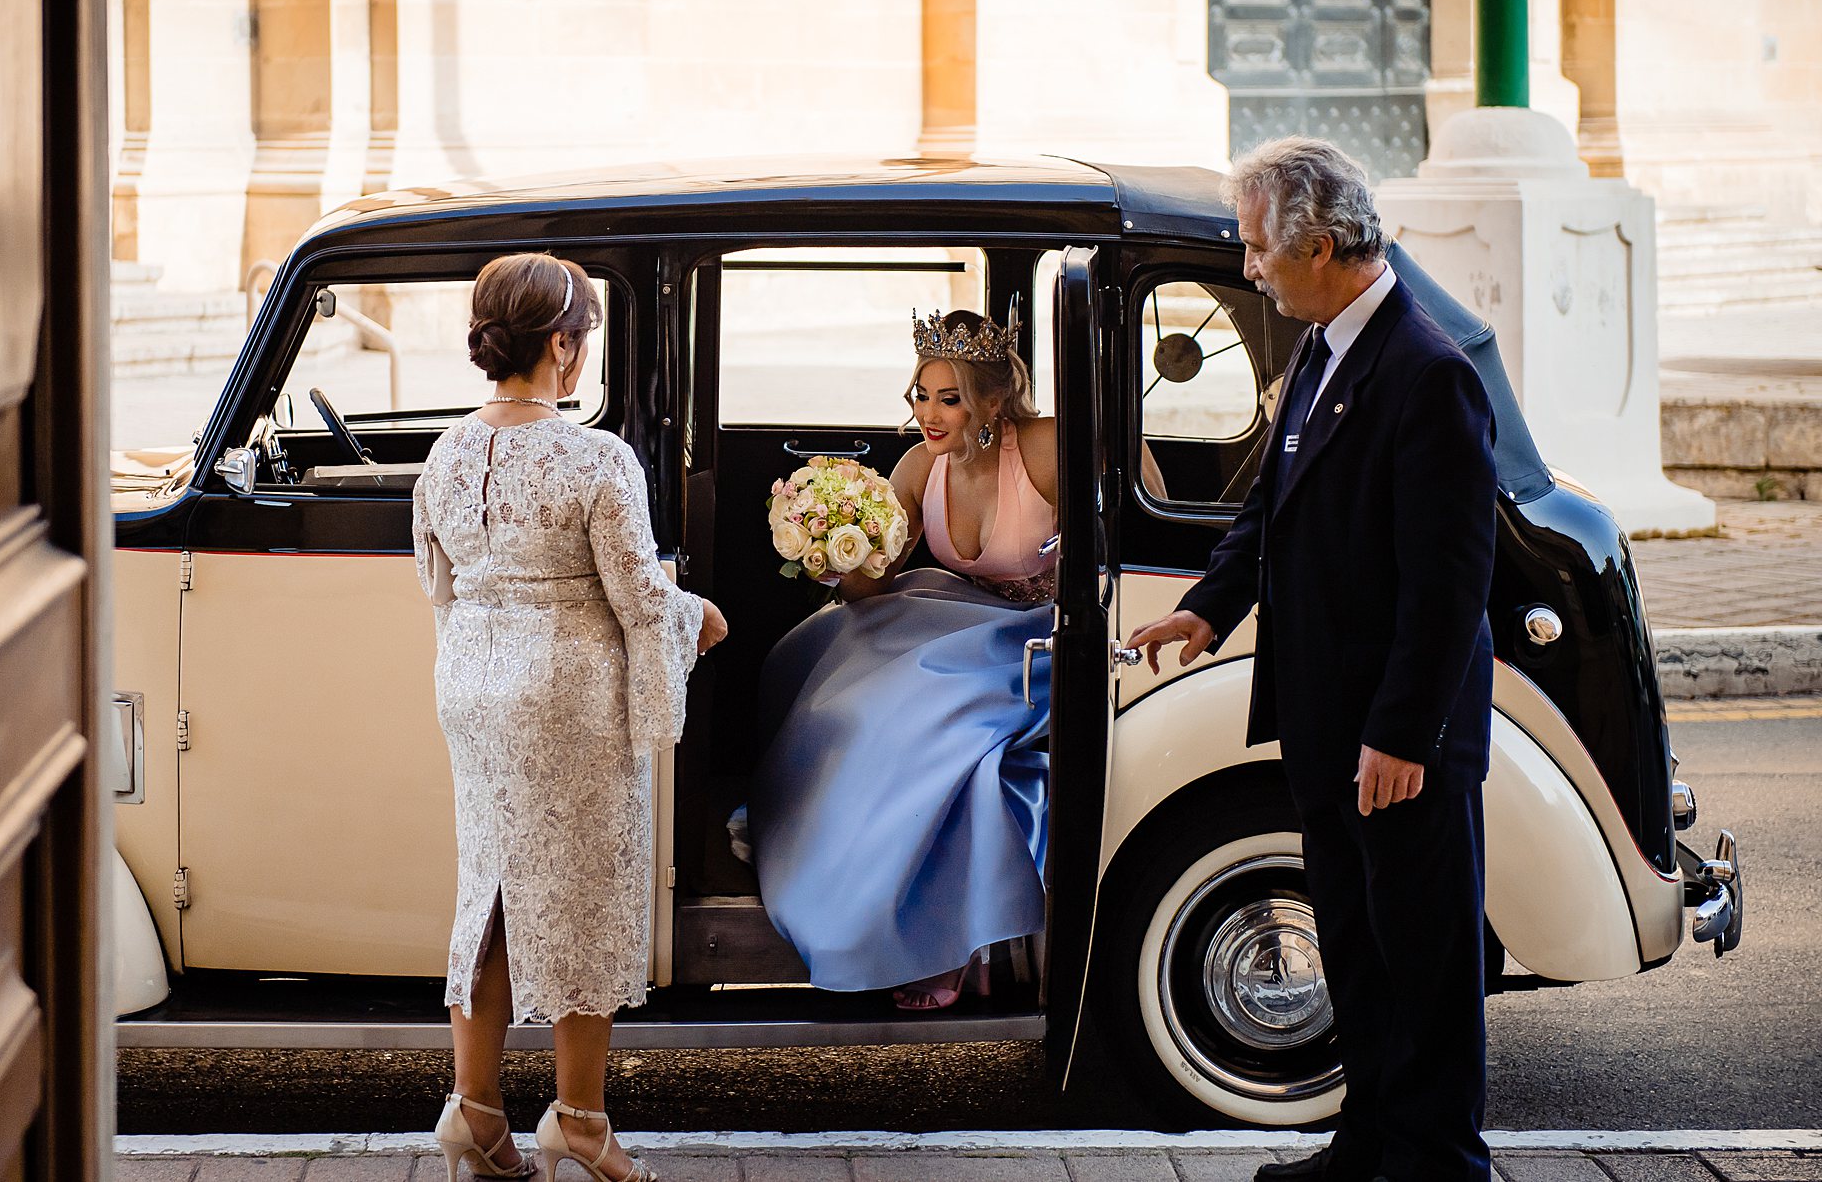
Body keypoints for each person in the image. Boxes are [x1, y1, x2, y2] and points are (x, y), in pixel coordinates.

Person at [1125, 138, 1496, 1182]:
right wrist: (1204, 611)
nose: (1247, 269)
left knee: (1422, 962)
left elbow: (1446, 583)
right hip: (1326, 719)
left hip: (1394, 736)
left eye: (1255, 252)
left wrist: (1401, 733)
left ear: (1321, 245)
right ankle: (1367, 1144)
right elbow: (1268, 511)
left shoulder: (1426, 374)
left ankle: (1435, 1163)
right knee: (1358, 950)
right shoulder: (1322, 349)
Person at [412, 252, 728, 1182]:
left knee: (492, 892)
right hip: (568, 700)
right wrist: (696, 618)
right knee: (587, 894)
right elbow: (637, 596)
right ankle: (580, 1121)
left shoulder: (446, 449)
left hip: (471, 688)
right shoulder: (596, 457)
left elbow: (436, 579)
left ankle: (474, 1109)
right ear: (561, 344)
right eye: (580, 338)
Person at [750, 308, 1063, 1011]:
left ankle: (934, 938)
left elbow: (1131, 501)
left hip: (1046, 636)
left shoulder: (1044, 448)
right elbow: (876, 582)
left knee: (926, 716)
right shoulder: (921, 465)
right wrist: (829, 554)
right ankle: (838, 870)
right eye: (920, 395)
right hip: (962, 621)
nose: (928, 412)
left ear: (990, 400)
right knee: (844, 683)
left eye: (947, 398)